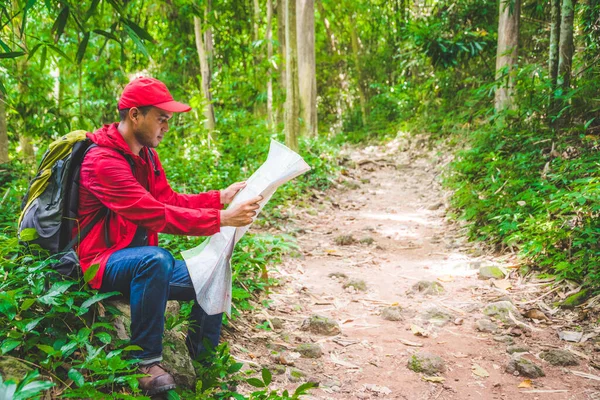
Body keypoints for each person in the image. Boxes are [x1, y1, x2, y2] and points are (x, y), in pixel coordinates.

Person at [74, 76, 261, 395]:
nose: (166, 126)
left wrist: (218, 198)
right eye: (161, 118)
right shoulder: (102, 162)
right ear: (135, 115)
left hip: (137, 262)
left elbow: (167, 199)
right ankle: (144, 362)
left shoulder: (145, 155)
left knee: (212, 274)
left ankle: (203, 364)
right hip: (99, 264)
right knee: (155, 259)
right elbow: (154, 213)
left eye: (168, 120)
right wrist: (221, 219)